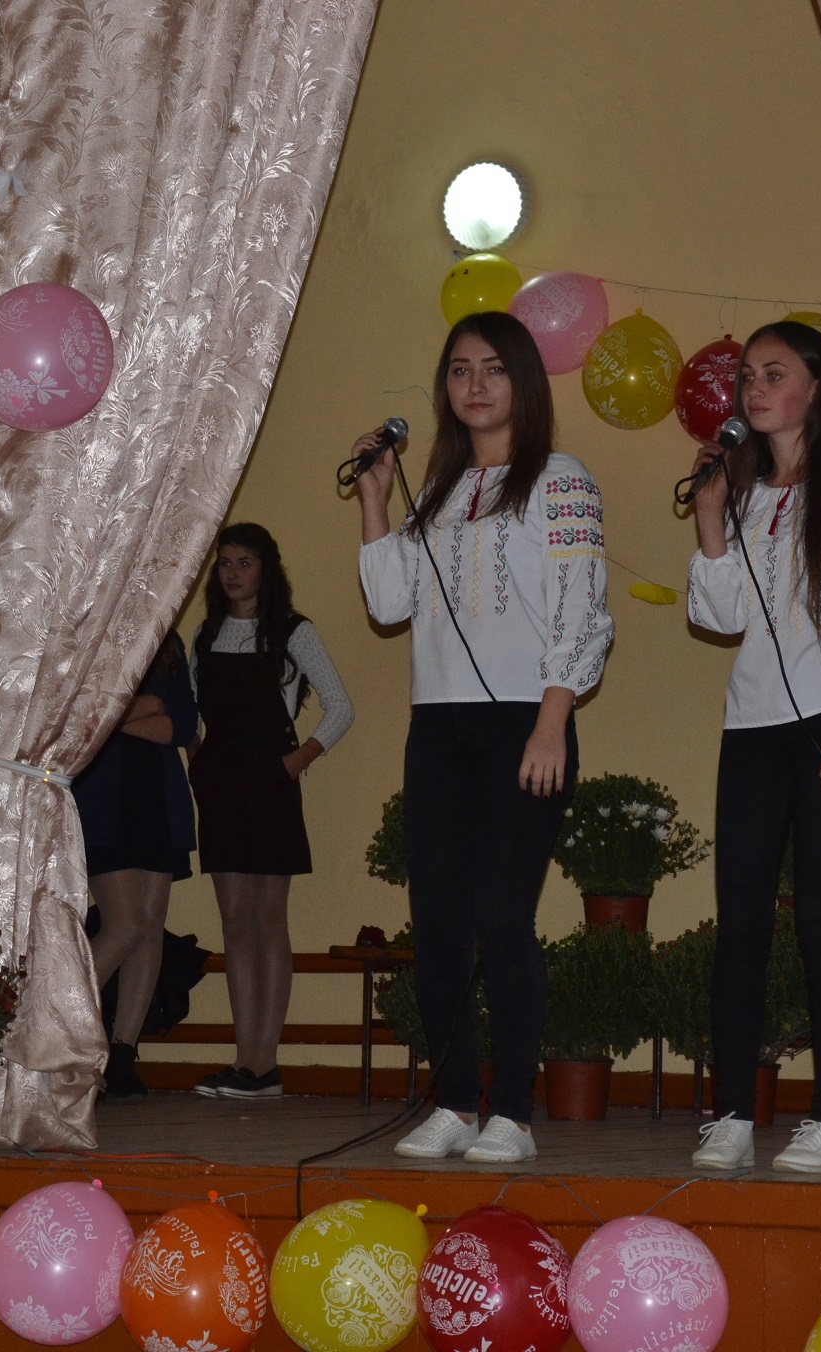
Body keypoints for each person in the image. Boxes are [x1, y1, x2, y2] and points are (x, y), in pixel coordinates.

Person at [355, 310, 613, 1165]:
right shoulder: (436, 489)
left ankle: (514, 1114)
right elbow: (390, 604)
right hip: (439, 724)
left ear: (524, 382)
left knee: (503, 920)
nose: (475, 384)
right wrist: (376, 501)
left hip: (525, 721)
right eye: (460, 369)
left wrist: (553, 720)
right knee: (436, 924)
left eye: (494, 368)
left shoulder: (561, 480)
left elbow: (582, 609)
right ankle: (455, 1102)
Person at [684, 319, 821, 1174]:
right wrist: (712, 517)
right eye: (747, 375)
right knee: (740, 924)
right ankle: (733, 1115)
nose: (755, 388)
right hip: (752, 729)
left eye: (774, 374)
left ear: (817, 390)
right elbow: (722, 618)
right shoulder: (744, 491)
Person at [187, 522, 353, 1099]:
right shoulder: (205, 635)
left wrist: (297, 761)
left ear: (266, 569)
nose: (233, 573)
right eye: (225, 563)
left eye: (245, 562)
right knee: (234, 921)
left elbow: (340, 708)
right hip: (220, 786)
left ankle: (265, 1063)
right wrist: (197, 762)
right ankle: (244, 1060)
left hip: (269, 783)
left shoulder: (292, 631)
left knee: (267, 918)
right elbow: (193, 714)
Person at [72, 632, 198, 1100]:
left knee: (149, 928)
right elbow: (82, 719)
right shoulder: (96, 626)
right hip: (102, 797)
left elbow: (180, 726)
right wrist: (148, 709)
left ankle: (122, 1052)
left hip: (158, 796)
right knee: (125, 925)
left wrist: (117, 718)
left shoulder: (168, 639)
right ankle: (58, 1027)